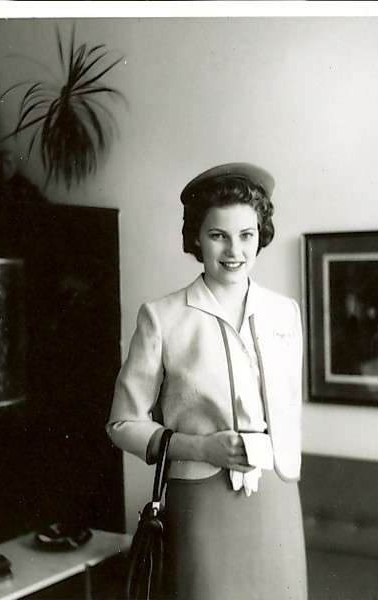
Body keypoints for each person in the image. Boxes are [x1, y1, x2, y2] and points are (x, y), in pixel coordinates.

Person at [107, 162, 307, 600]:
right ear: (196, 237)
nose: (234, 250)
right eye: (219, 235)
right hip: (200, 501)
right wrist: (201, 447)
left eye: (247, 235)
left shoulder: (284, 313)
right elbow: (122, 424)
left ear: (261, 234)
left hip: (275, 499)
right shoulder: (162, 317)